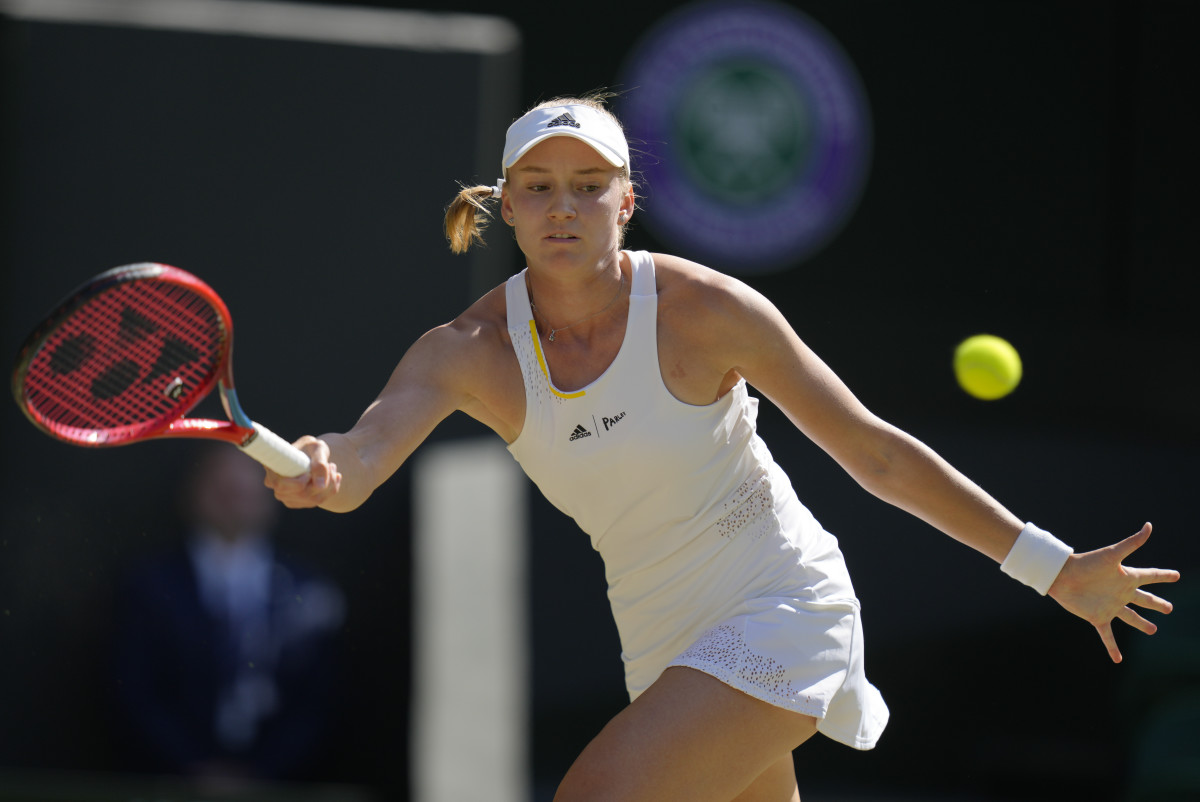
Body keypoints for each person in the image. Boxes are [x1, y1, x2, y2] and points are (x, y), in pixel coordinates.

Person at [265, 93, 1179, 801]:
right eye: (538, 187)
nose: (563, 207)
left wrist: (1052, 569)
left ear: (627, 200)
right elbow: (361, 458)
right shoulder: (467, 351)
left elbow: (874, 454)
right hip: (657, 636)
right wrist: (324, 467)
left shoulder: (709, 311)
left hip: (783, 601)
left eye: (589, 185)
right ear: (506, 206)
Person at [114, 444, 346, 788]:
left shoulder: (310, 591)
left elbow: (320, 702)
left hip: (282, 786)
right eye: (222, 487)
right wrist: (194, 770)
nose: (235, 494)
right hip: (171, 784)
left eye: (247, 486)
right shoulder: (149, 586)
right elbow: (134, 692)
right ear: (192, 492)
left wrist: (262, 776)